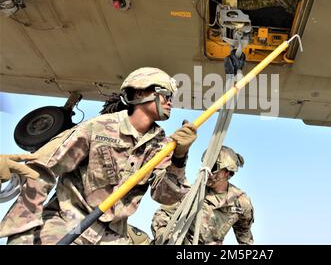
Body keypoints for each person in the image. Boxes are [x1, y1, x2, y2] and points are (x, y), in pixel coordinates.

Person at [0, 67, 197, 245]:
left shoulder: (161, 146)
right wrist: (22, 233)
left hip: (112, 238)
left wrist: (179, 157)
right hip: (67, 224)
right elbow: (43, 171)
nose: (170, 101)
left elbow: (165, 196)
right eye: (164, 94)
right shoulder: (98, 127)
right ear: (139, 93)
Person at [151, 146, 254, 245]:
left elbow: (244, 234)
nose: (208, 172)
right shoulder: (193, 193)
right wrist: (168, 240)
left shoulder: (241, 202)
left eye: (213, 167)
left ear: (227, 172)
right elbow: (162, 215)